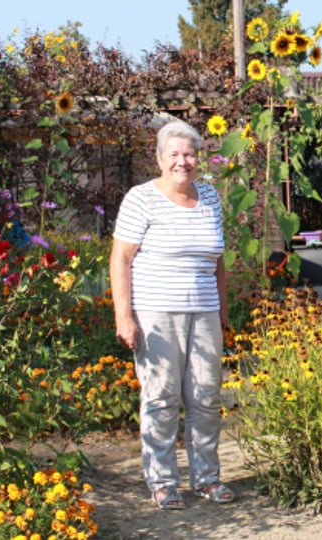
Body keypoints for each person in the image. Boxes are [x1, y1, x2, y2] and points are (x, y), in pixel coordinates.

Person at [110, 120, 235, 509]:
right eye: (175, 155)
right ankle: (163, 483)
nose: (183, 162)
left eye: (190, 154)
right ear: (160, 159)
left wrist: (224, 311)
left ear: (198, 158)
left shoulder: (211, 197)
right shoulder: (140, 198)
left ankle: (207, 478)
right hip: (156, 313)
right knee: (161, 396)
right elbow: (121, 259)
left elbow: (217, 263)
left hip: (205, 312)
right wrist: (123, 317)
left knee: (204, 396)